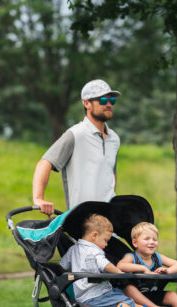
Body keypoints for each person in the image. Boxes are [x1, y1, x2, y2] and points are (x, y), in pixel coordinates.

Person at [33, 79, 121, 215]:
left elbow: (111, 174)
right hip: (82, 222)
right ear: (87, 103)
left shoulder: (114, 138)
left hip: (109, 221)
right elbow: (44, 163)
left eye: (112, 100)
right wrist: (38, 199)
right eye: (103, 100)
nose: (109, 104)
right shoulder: (75, 134)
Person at [60, 214, 163, 307]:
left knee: (119, 294)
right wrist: (119, 273)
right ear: (94, 235)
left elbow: (63, 265)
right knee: (127, 301)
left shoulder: (73, 249)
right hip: (97, 295)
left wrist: (74, 273)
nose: (106, 244)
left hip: (81, 296)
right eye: (105, 240)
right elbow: (105, 265)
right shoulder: (94, 251)